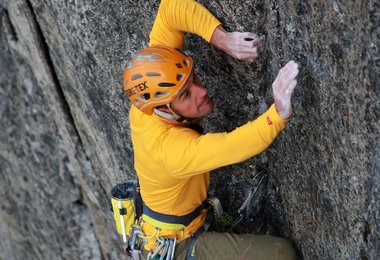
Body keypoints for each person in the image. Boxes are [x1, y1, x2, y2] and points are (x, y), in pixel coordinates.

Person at [123, 0, 299, 259]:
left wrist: (223, 40)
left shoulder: (151, 96)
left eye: (192, 78)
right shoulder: (171, 150)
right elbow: (234, 145)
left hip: (159, 227)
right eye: (186, 95)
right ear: (163, 109)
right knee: (280, 254)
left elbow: (171, 9)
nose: (201, 91)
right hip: (176, 246)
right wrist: (278, 114)